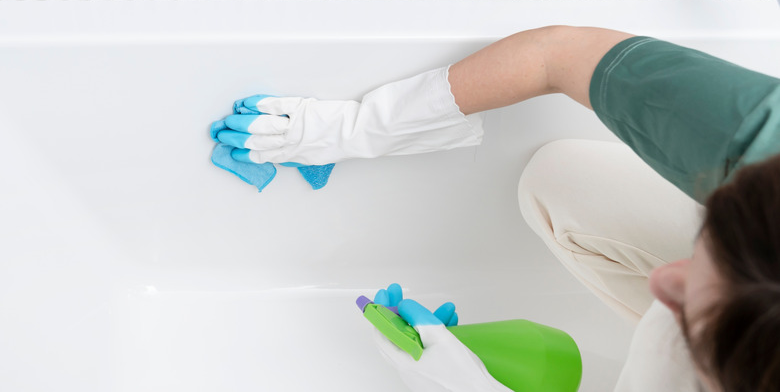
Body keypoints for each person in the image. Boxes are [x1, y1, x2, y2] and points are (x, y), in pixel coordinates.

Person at [213, 26, 780, 391]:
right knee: (560, 182)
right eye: (714, 237)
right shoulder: (768, 142)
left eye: (696, 312)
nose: (662, 279)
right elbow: (556, 55)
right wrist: (365, 129)